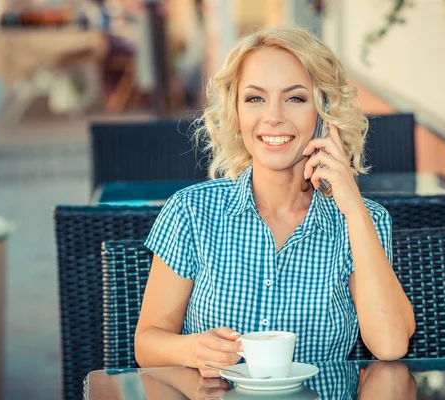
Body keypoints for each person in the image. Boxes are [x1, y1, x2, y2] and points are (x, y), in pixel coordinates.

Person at [135, 25, 415, 378]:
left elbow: (390, 346)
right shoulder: (191, 212)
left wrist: (354, 208)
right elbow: (147, 343)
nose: (273, 116)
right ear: (236, 113)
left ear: (323, 112)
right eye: (255, 98)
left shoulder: (362, 220)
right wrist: (192, 349)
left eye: (295, 98)